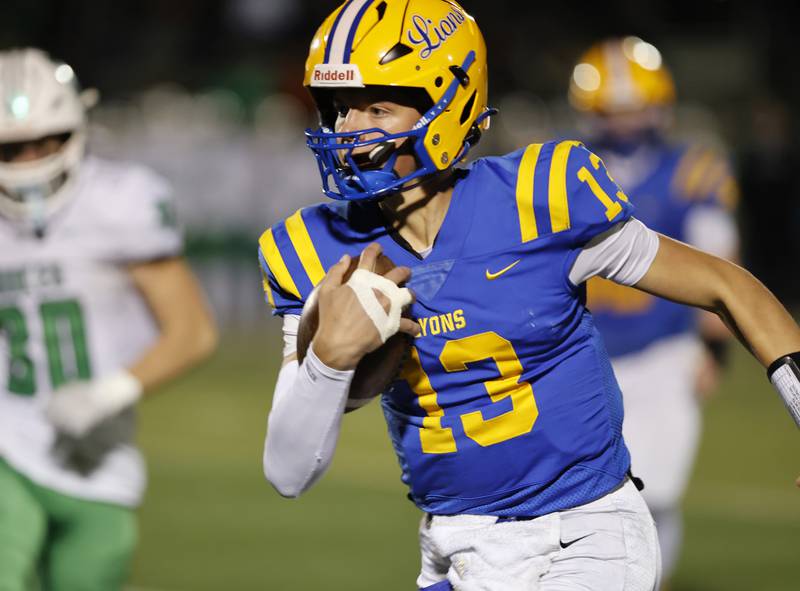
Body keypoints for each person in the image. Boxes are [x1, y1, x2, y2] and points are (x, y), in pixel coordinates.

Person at [259, 2, 800, 589]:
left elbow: (724, 284)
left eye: (377, 107)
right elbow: (288, 472)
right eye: (341, 108)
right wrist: (327, 364)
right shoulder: (314, 249)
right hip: (452, 545)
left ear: (448, 104)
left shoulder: (543, 201)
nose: (349, 132)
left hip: (584, 534)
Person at [0, 48, 218, 590]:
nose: (29, 160)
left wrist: (107, 393)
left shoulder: (122, 201)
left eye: (44, 141)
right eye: (11, 147)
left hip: (101, 460)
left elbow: (192, 331)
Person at [567, 36, 739, 583]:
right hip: (582, 355)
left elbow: (718, 266)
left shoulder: (695, 171)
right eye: (612, 109)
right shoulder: (564, 172)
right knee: (585, 498)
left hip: (665, 350)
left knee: (655, 492)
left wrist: (714, 346)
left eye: (632, 106)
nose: (623, 120)